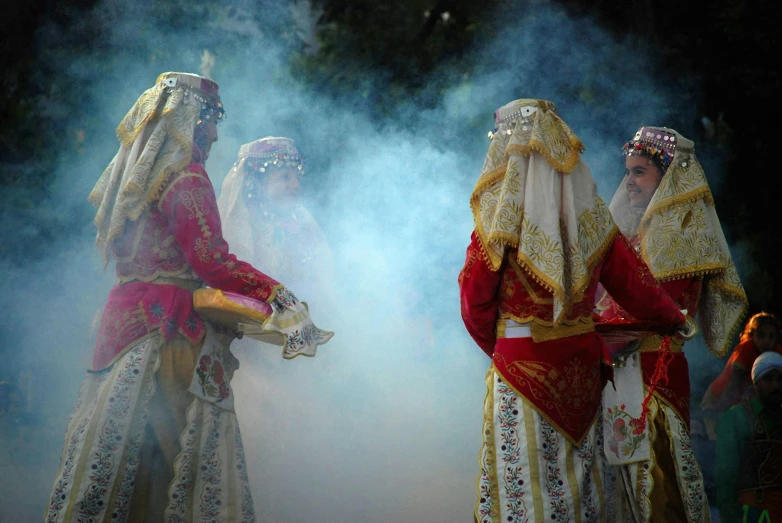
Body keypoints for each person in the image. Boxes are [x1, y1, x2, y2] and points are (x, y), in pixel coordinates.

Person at [45, 72, 331, 522]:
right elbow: (211, 260)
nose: (215, 132)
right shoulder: (185, 177)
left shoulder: (137, 180)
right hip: (170, 335)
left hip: (120, 328)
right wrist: (277, 293)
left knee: (120, 456)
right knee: (180, 457)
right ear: (189, 120)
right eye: (211, 118)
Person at [460, 99, 688, 523]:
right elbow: (638, 288)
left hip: (521, 372)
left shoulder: (495, 224)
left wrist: (507, 350)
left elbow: (474, 307)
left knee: (528, 495)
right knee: (586, 494)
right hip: (584, 375)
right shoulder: (594, 220)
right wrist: (675, 320)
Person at [595, 126, 749, 522]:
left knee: (657, 479)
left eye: (640, 172)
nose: (628, 181)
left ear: (668, 179)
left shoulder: (682, 236)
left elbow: (648, 306)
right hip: (619, 368)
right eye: (628, 171)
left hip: (654, 371)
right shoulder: (630, 235)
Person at [218, 136, 334, 295]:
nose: (296, 185)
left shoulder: (303, 224)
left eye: (297, 178)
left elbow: (325, 283)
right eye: (285, 177)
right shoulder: (241, 224)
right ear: (257, 182)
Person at [716, 351, 782, 522]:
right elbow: (726, 478)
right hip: (749, 514)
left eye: (780, 379)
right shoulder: (736, 418)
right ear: (756, 382)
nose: (776, 385)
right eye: (768, 379)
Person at [702, 312, 782, 413]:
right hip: (718, 398)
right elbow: (733, 383)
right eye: (761, 335)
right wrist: (719, 411)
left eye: (771, 336)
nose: (766, 340)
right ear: (752, 335)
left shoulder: (776, 351)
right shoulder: (745, 350)